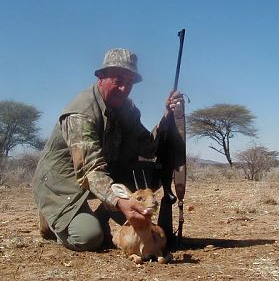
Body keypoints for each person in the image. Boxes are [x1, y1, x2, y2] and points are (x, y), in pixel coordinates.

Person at [32, 48, 182, 252]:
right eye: (118, 80)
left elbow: (148, 147)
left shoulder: (127, 109)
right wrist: (120, 202)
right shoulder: (81, 113)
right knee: (89, 237)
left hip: (101, 176)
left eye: (129, 83)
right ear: (100, 77)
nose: (123, 88)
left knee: (149, 176)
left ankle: (101, 215)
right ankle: (51, 219)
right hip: (62, 185)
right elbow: (89, 170)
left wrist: (168, 116)